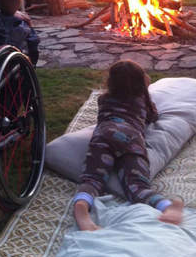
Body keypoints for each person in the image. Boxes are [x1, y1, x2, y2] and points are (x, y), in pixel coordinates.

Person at [73, 60, 183, 231]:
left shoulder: (103, 99)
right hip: (131, 139)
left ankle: (82, 205)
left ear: (110, 82)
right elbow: (153, 117)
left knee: (93, 179)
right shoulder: (142, 102)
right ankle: (166, 206)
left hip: (104, 134)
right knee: (137, 186)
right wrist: (145, 90)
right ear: (142, 82)